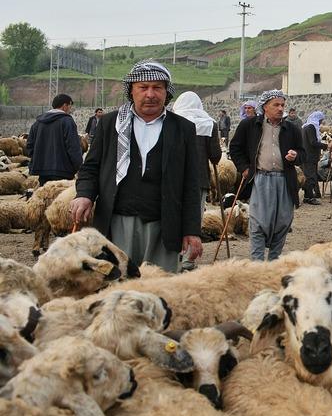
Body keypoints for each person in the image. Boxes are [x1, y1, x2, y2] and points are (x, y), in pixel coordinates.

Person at [70, 60, 203, 273]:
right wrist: (84, 195)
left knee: (161, 287)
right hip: (118, 222)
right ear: (131, 91)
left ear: (166, 92)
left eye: (157, 87)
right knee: (119, 286)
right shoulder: (110, 124)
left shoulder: (183, 128)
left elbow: (191, 183)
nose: (150, 94)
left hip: (164, 225)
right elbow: (91, 167)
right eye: (143, 87)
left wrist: (192, 231)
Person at [229, 90, 304, 261]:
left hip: (284, 180)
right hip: (260, 178)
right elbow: (235, 148)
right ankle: (257, 263)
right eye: (276, 105)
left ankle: (273, 262)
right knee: (258, 222)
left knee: (283, 222)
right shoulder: (249, 125)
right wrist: (245, 168)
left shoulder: (291, 129)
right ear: (265, 107)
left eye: (282, 105)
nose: (280, 109)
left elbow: (302, 153)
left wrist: (295, 156)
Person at [172, 91, 221, 271]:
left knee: (173, 216)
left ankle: (172, 257)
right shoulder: (209, 123)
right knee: (193, 219)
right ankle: (188, 260)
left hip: (173, 178)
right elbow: (215, 156)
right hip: (198, 178)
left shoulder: (172, 121)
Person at [26, 93, 83, 186]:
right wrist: (79, 167)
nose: (70, 109)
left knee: (45, 196)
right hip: (63, 171)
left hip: (42, 171)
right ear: (65, 105)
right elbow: (73, 147)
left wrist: (39, 159)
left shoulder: (38, 123)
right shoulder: (67, 121)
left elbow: (29, 146)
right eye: (70, 106)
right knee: (60, 198)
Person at [301, 111, 327, 205]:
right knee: (310, 177)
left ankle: (308, 195)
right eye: (320, 120)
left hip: (307, 155)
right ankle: (309, 197)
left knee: (309, 176)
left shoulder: (305, 127)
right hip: (310, 156)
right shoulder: (311, 127)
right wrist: (325, 146)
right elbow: (313, 142)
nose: (321, 123)